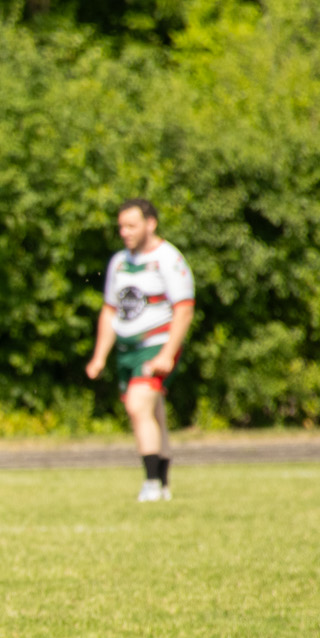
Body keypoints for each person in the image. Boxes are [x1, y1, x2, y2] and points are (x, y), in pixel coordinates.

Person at [85, 198, 195, 501]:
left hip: (156, 345)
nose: (125, 232)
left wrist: (167, 354)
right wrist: (99, 356)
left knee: (137, 405)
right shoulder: (119, 262)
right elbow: (110, 311)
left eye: (131, 225)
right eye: (121, 226)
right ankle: (163, 482)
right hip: (127, 350)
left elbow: (184, 309)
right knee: (153, 413)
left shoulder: (168, 258)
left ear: (151, 224)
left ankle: (150, 483)